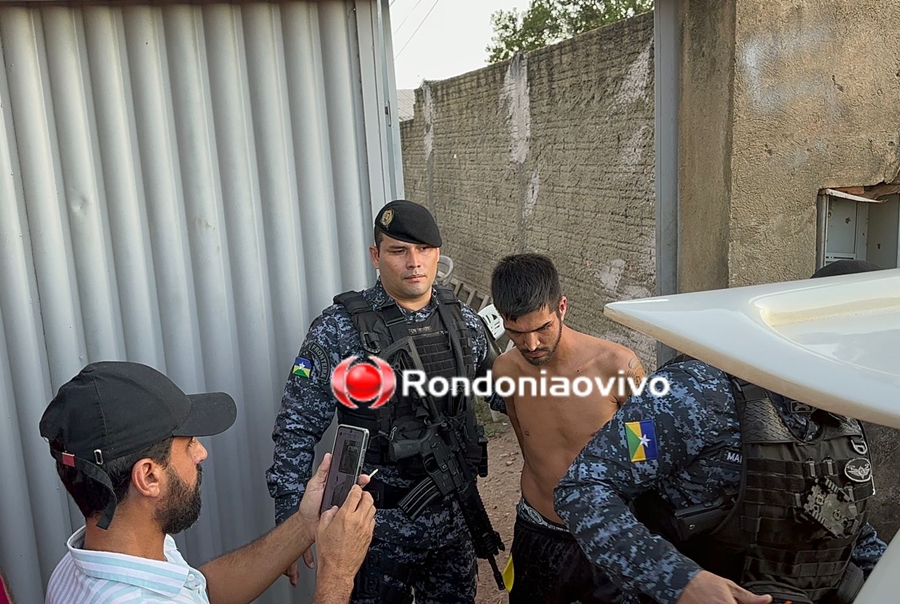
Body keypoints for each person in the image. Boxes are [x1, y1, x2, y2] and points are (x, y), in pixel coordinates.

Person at [554, 259, 888, 604]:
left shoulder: (847, 410)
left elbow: (842, 524)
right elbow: (583, 489)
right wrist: (682, 582)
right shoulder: (696, 393)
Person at [266, 199, 504, 604]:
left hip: (452, 520)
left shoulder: (463, 321)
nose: (414, 262)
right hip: (370, 528)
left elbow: (505, 394)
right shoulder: (338, 329)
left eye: (425, 250)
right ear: (376, 256)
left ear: (438, 254)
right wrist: (292, 519)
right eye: (399, 250)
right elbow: (297, 426)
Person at [40, 361, 375, 604]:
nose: (201, 453)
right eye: (188, 444)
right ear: (149, 476)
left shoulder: (91, 558)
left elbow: (201, 591)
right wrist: (337, 575)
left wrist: (305, 524)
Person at [489, 253, 647, 604]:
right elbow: (525, 440)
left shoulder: (618, 366)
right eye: (516, 333)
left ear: (562, 306)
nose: (531, 345)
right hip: (539, 527)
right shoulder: (506, 371)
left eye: (542, 328)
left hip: (607, 530)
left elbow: (646, 457)